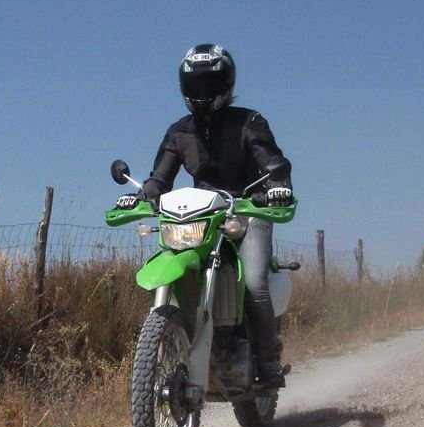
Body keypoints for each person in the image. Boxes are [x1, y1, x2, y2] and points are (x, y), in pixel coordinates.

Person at [115, 43, 293, 388]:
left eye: (208, 85)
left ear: (225, 85)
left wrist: (278, 186)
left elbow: (273, 164)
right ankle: (179, 338)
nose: (201, 93)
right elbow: (159, 179)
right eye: (194, 86)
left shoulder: (249, 122)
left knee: (255, 282)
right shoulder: (180, 132)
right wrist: (139, 196)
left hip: (246, 212)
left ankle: (268, 362)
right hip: (203, 218)